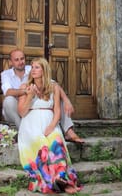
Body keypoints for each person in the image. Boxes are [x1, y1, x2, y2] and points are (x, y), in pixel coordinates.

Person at [18, 57, 82, 194]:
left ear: (44, 70)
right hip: (31, 124)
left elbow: (57, 110)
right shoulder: (25, 87)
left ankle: (62, 178)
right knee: (43, 147)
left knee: (57, 142)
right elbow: (22, 113)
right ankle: (52, 180)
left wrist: (52, 126)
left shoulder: (54, 87)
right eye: (32, 67)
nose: (33, 70)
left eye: (37, 67)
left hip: (49, 123)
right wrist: (30, 96)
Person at [1, 49, 84, 143]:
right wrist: (27, 91)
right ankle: (22, 131)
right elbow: (7, 92)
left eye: (22, 59)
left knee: (57, 96)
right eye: (17, 60)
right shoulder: (6, 74)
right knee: (8, 100)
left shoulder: (31, 68)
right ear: (11, 62)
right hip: (16, 108)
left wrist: (66, 99)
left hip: (34, 106)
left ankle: (69, 131)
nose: (20, 62)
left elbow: (51, 83)